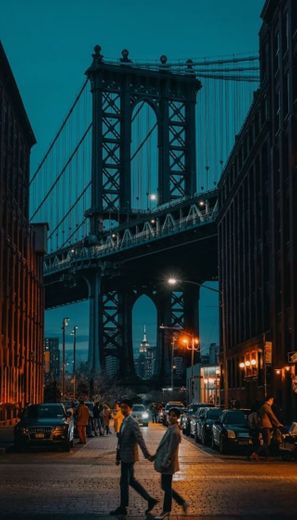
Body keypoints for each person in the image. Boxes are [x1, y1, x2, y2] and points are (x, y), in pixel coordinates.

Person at [109, 398, 158, 517]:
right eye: (122, 407)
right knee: (131, 481)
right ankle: (149, 500)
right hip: (124, 456)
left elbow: (140, 439)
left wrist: (147, 455)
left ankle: (123, 507)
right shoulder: (124, 421)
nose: (123, 409)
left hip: (129, 457)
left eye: (125, 407)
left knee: (124, 482)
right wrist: (117, 456)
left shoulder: (132, 422)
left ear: (130, 408)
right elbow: (120, 441)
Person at [152, 408, 189, 519]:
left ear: (177, 417)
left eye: (173, 416)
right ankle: (182, 502)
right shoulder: (171, 428)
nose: (170, 417)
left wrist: (164, 462)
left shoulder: (174, 431)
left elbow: (170, 451)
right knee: (165, 486)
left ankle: (166, 510)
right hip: (166, 462)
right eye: (170, 415)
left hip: (168, 463)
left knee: (166, 487)